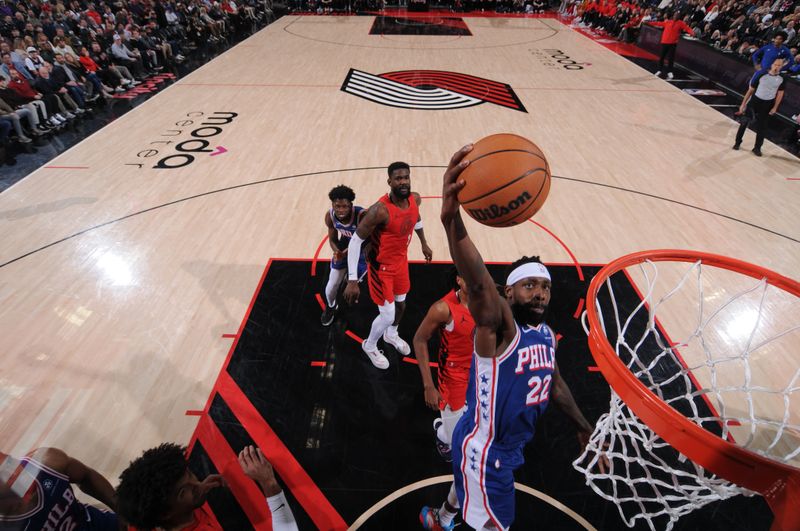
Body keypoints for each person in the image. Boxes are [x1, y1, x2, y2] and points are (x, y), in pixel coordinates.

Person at [420, 146, 604, 531]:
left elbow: (553, 382)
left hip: (506, 450)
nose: (539, 293)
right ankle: (445, 518)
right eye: (528, 286)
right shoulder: (500, 329)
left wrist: (583, 424)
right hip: (487, 456)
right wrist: (451, 221)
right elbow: (478, 278)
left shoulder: (546, 336)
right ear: (508, 294)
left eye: (544, 287)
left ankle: (443, 517)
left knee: (469, 501)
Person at [343, 162, 434, 369]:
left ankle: (392, 334)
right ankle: (370, 344)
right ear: (390, 182)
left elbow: (416, 218)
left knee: (401, 305)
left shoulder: (415, 199)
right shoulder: (380, 211)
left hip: (401, 262)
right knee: (387, 314)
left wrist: (424, 243)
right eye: (398, 178)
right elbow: (355, 241)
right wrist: (352, 280)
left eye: (406, 177)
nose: (403, 182)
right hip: (380, 268)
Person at [117, 443, 298, 531]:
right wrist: (268, 483)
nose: (197, 483)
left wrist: (195, 489)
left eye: (189, 474)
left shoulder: (141, 519)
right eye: (184, 491)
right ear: (165, 513)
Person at [412, 267, 475, 462]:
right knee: (453, 441)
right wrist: (428, 386)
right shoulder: (443, 309)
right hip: (452, 375)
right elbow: (419, 340)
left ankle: (447, 426)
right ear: (459, 280)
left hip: (478, 370)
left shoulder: (486, 299)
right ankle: (441, 432)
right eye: (469, 276)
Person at [0, 447, 119, 529]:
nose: (14, 473)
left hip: (99, 524)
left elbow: (86, 475)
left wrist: (122, 510)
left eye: (10, 463)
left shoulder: (45, 461)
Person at [321, 184, 367, 326]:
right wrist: (337, 251)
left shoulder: (362, 216)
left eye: (345, 206)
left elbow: (369, 241)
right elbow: (333, 240)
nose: (341, 210)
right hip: (344, 247)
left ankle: (352, 277)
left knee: (352, 286)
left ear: (351, 205)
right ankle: (331, 306)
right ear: (333, 205)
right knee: (331, 286)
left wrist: (348, 253)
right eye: (337, 206)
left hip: (363, 250)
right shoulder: (330, 216)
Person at [734, 57, 787, 156]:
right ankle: (737, 142)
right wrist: (743, 104)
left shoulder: (782, 79)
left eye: (779, 65)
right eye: (775, 64)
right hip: (755, 102)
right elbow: (750, 90)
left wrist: (775, 107)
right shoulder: (762, 74)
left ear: (781, 67)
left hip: (767, 104)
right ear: (772, 65)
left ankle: (757, 148)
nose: (777, 66)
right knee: (744, 122)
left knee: (762, 128)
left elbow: (780, 94)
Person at [649, 11, 694, 79]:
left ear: (679, 17)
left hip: (672, 44)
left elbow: (687, 28)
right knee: (662, 57)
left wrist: (692, 32)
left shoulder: (681, 23)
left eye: (677, 15)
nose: (676, 16)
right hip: (664, 42)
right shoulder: (668, 22)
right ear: (673, 15)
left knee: (671, 59)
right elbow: (659, 23)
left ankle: (670, 72)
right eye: (675, 14)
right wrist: (649, 22)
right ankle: (659, 70)